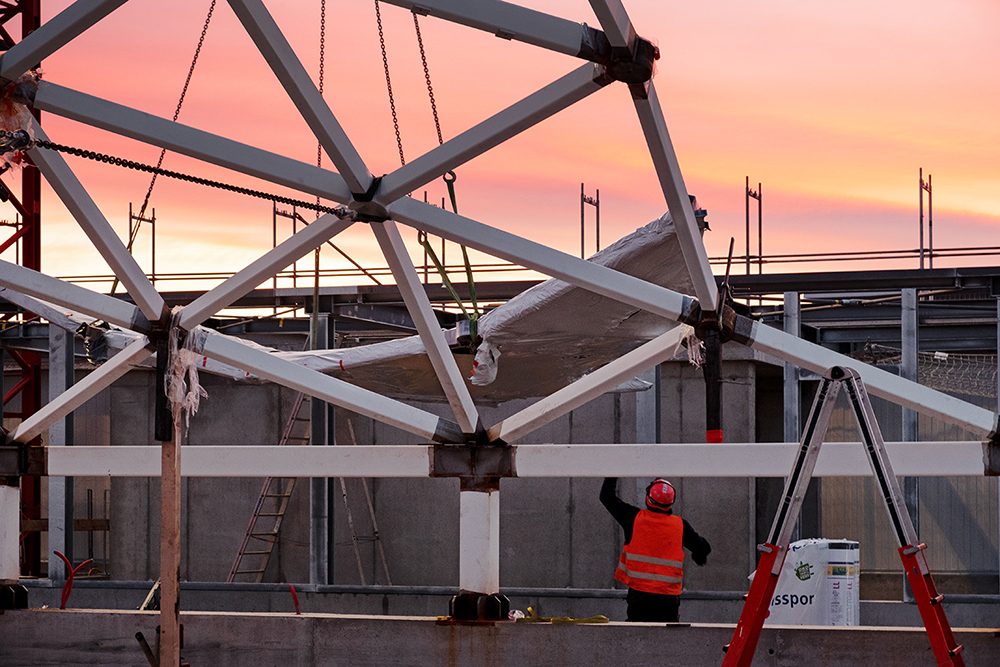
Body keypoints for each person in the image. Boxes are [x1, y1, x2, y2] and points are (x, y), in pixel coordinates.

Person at [600, 477, 711, 622]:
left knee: (638, 639)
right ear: (671, 501)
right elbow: (704, 547)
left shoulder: (633, 518)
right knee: (665, 640)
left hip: (639, 597)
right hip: (668, 599)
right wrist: (698, 554)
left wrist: (612, 474)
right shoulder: (680, 526)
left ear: (648, 497)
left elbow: (606, 497)